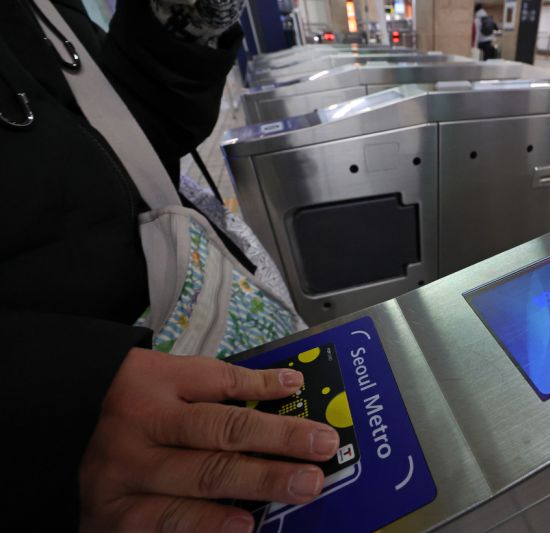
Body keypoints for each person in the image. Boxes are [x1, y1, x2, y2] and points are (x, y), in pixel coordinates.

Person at [0, 1, 339, 531]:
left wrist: (187, 18)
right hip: (80, 476)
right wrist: (60, 405)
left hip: (190, 367)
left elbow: (127, 134)